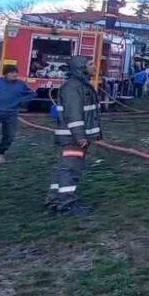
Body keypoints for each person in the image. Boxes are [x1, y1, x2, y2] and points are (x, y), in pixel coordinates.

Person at [46, 56, 102, 216]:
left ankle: (54, 200)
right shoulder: (73, 87)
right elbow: (73, 114)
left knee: (64, 169)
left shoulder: (80, 85)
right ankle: (66, 205)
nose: (95, 67)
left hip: (75, 137)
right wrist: (80, 136)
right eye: (91, 64)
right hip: (73, 138)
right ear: (80, 68)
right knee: (70, 170)